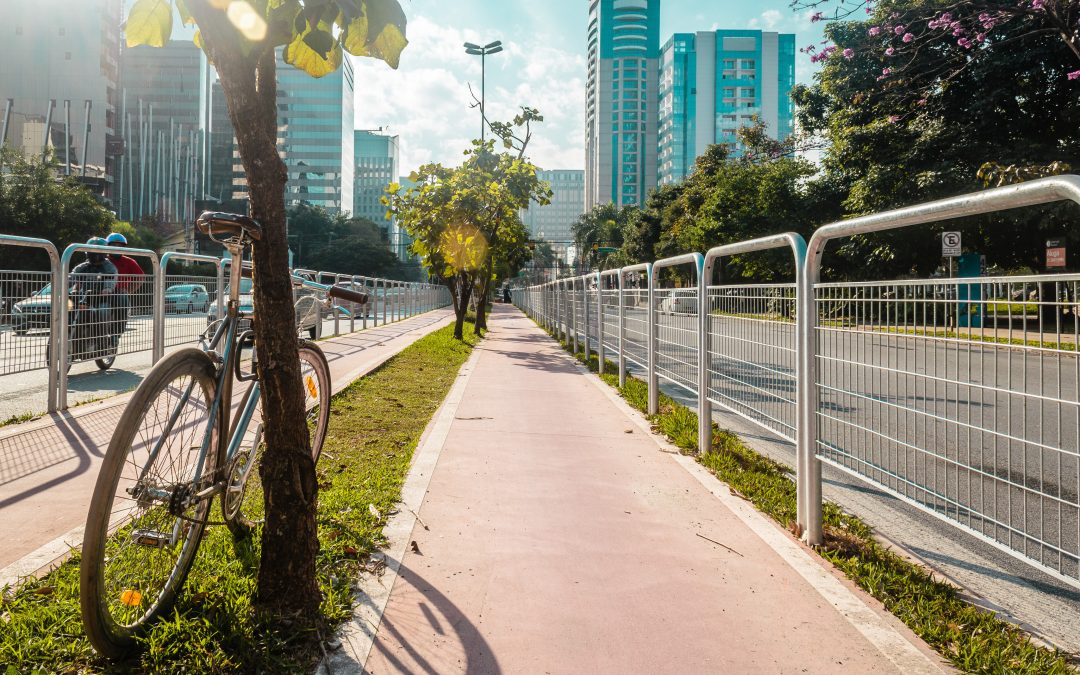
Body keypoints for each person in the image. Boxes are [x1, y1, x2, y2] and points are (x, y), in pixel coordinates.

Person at [69, 237, 118, 350]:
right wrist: (62, 282)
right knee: (68, 309)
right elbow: (71, 277)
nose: (94, 254)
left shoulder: (109, 267)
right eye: (91, 251)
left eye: (97, 251)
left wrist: (107, 290)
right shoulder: (83, 266)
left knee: (101, 312)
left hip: (101, 299)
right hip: (84, 299)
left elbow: (110, 282)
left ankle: (102, 342)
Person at [105, 232, 145, 338]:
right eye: (113, 245)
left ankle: (117, 333)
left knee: (122, 300)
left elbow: (140, 278)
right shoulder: (101, 260)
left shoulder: (129, 262)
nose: (117, 248)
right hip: (99, 293)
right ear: (107, 246)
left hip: (118, 294)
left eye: (120, 246)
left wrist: (127, 290)